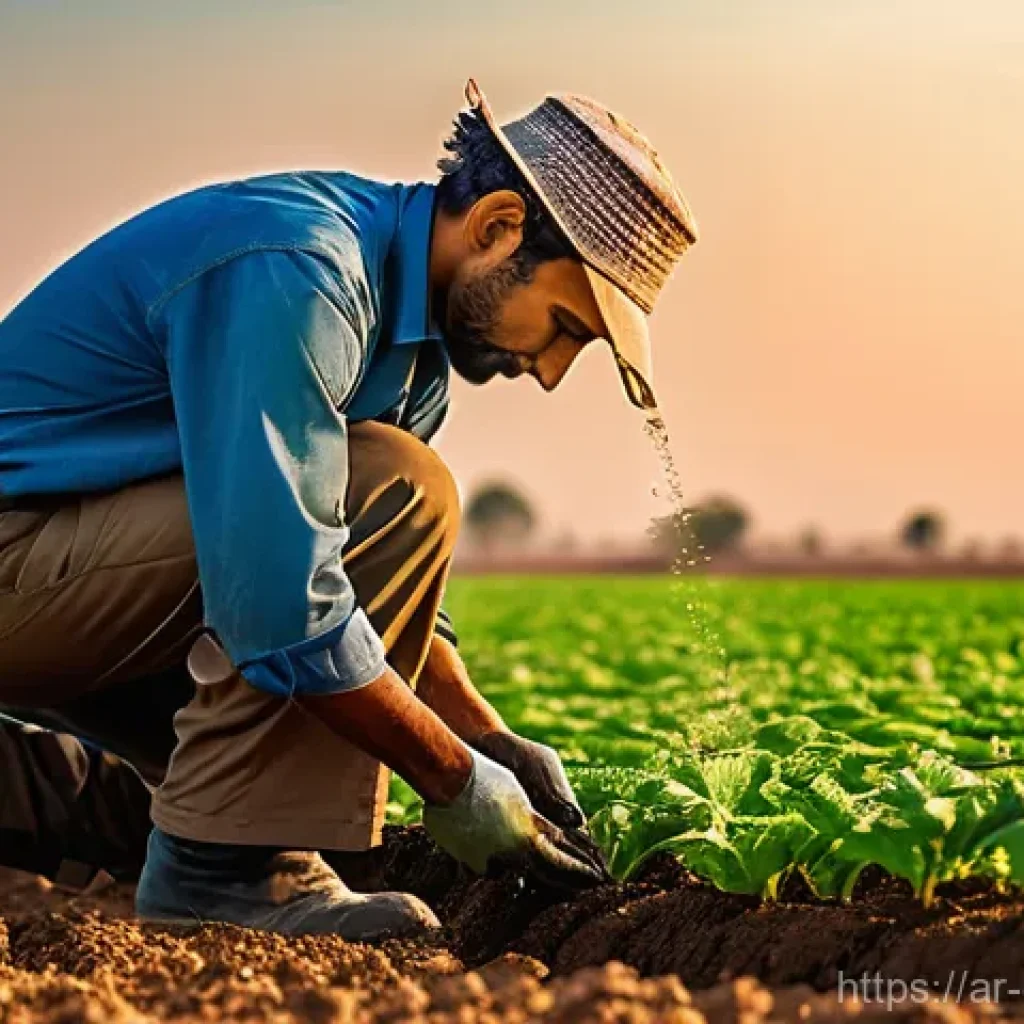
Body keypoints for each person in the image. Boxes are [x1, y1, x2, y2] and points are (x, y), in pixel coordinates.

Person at [0, 80, 697, 937]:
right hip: (17, 554)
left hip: (61, 577)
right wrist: (452, 778)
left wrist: (487, 738)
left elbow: (366, 577)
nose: (550, 371)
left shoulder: (413, 356)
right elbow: (282, 597)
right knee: (399, 485)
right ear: (497, 227)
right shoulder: (303, 272)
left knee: (177, 790)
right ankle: (229, 875)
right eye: (562, 325)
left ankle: (126, 813)